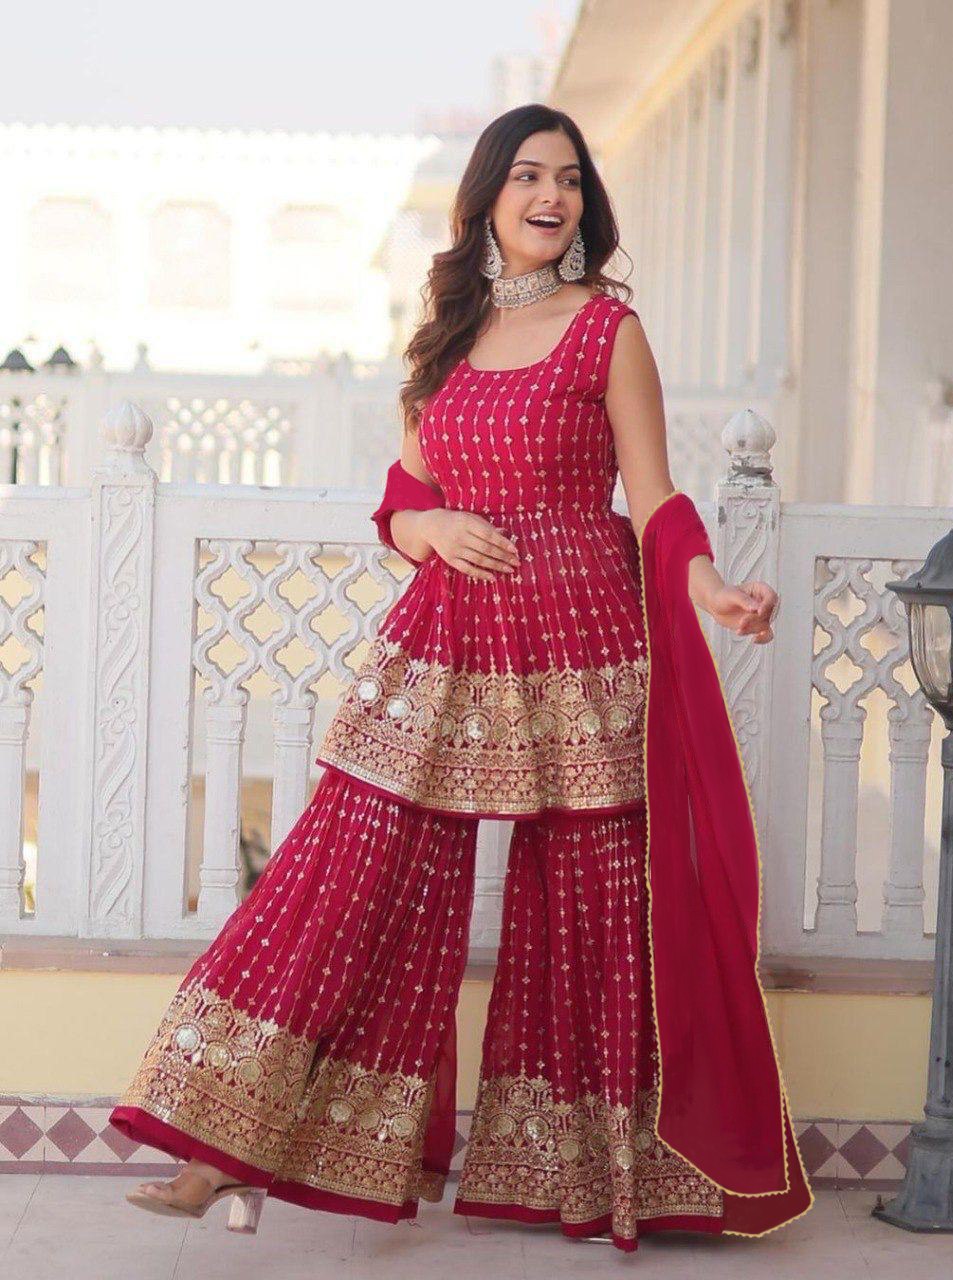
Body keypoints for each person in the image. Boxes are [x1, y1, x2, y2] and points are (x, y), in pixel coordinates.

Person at [110, 102, 810, 1253]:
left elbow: (655, 499)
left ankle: (607, 1175)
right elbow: (403, 496)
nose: (551, 196)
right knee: (345, 877)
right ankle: (224, 1142)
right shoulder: (447, 334)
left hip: (581, 637)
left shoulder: (608, 331)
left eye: (569, 179)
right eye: (528, 175)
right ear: (487, 196)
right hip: (447, 637)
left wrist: (710, 589)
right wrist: (428, 523)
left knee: (594, 905)